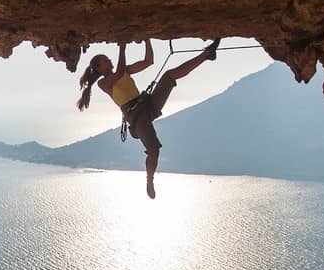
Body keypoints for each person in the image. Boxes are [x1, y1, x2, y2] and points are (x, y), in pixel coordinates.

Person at [77, 38, 221, 199]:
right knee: (153, 151)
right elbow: (118, 73)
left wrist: (147, 40)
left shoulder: (124, 71)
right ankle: (150, 180)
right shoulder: (103, 83)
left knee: (169, 75)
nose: (109, 60)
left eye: (108, 59)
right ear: (98, 68)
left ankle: (207, 54)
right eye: (105, 60)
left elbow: (149, 61)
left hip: (147, 105)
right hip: (136, 117)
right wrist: (122, 48)